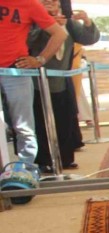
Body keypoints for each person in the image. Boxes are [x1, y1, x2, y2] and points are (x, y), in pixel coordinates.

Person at [29, 0, 100, 173]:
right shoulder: (32, 19)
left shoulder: (68, 21)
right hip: (38, 80)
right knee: (41, 122)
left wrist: (87, 21)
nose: (50, 5)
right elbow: (27, 42)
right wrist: (47, 25)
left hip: (63, 79)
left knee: (66, 120)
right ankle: (44, 160)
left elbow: (89, 38)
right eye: (45, 2)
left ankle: (66, 158)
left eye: (53, 2)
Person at [0, 0, 66, 169]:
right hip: (15, 72)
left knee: (23, 126)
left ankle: (25, 170)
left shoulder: (29, 4)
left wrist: (40, 59)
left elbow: (59, 34)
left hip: (15, 70)